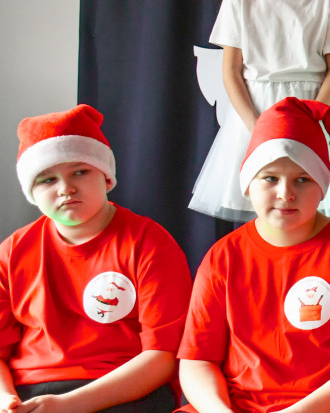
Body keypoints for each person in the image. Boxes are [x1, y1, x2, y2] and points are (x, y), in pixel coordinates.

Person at [178, 98, 330, 413]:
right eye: (270, 178)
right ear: (248, 185)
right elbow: (197, 361)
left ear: (323, 187)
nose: (286, 193)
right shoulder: (224, 257)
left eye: (302, 179)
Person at [0, 105, 191, 412]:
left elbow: (163, 357)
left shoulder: (150, 243)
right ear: (32, 192)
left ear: (106, 176)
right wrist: (6, 399)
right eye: (47, 180)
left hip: (124, 391)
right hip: (30, 391)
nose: (66, 189)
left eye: (80, 171)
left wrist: (68, 405)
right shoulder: (12, 251)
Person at [189, 0, 330, 221]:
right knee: (262, 208)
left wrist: (314, 117)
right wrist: (257, 125)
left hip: (308, 109)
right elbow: (231, 72)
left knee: (308, 208)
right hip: (257, 112)